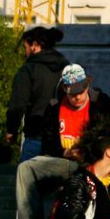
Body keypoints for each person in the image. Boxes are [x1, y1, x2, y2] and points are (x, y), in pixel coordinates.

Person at [14, 64, 110, 219]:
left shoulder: (100, 102)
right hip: (64, 161)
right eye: (72, 93)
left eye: (81, 90)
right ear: (64, 90)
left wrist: (87, 150)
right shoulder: (54, 108)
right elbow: (47, 143)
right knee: (25, 168)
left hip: (93, 162)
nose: (77, 97)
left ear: (87, 85)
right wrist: (67, 152)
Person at [6, 25, 69, 162]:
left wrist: (11, 130)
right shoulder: (66, 68)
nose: (25, 52)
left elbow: (18, 104)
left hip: (36, 134)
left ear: (34, 46)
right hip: (62, 137)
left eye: (25, 47)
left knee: (28, 180)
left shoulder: (28, 70)